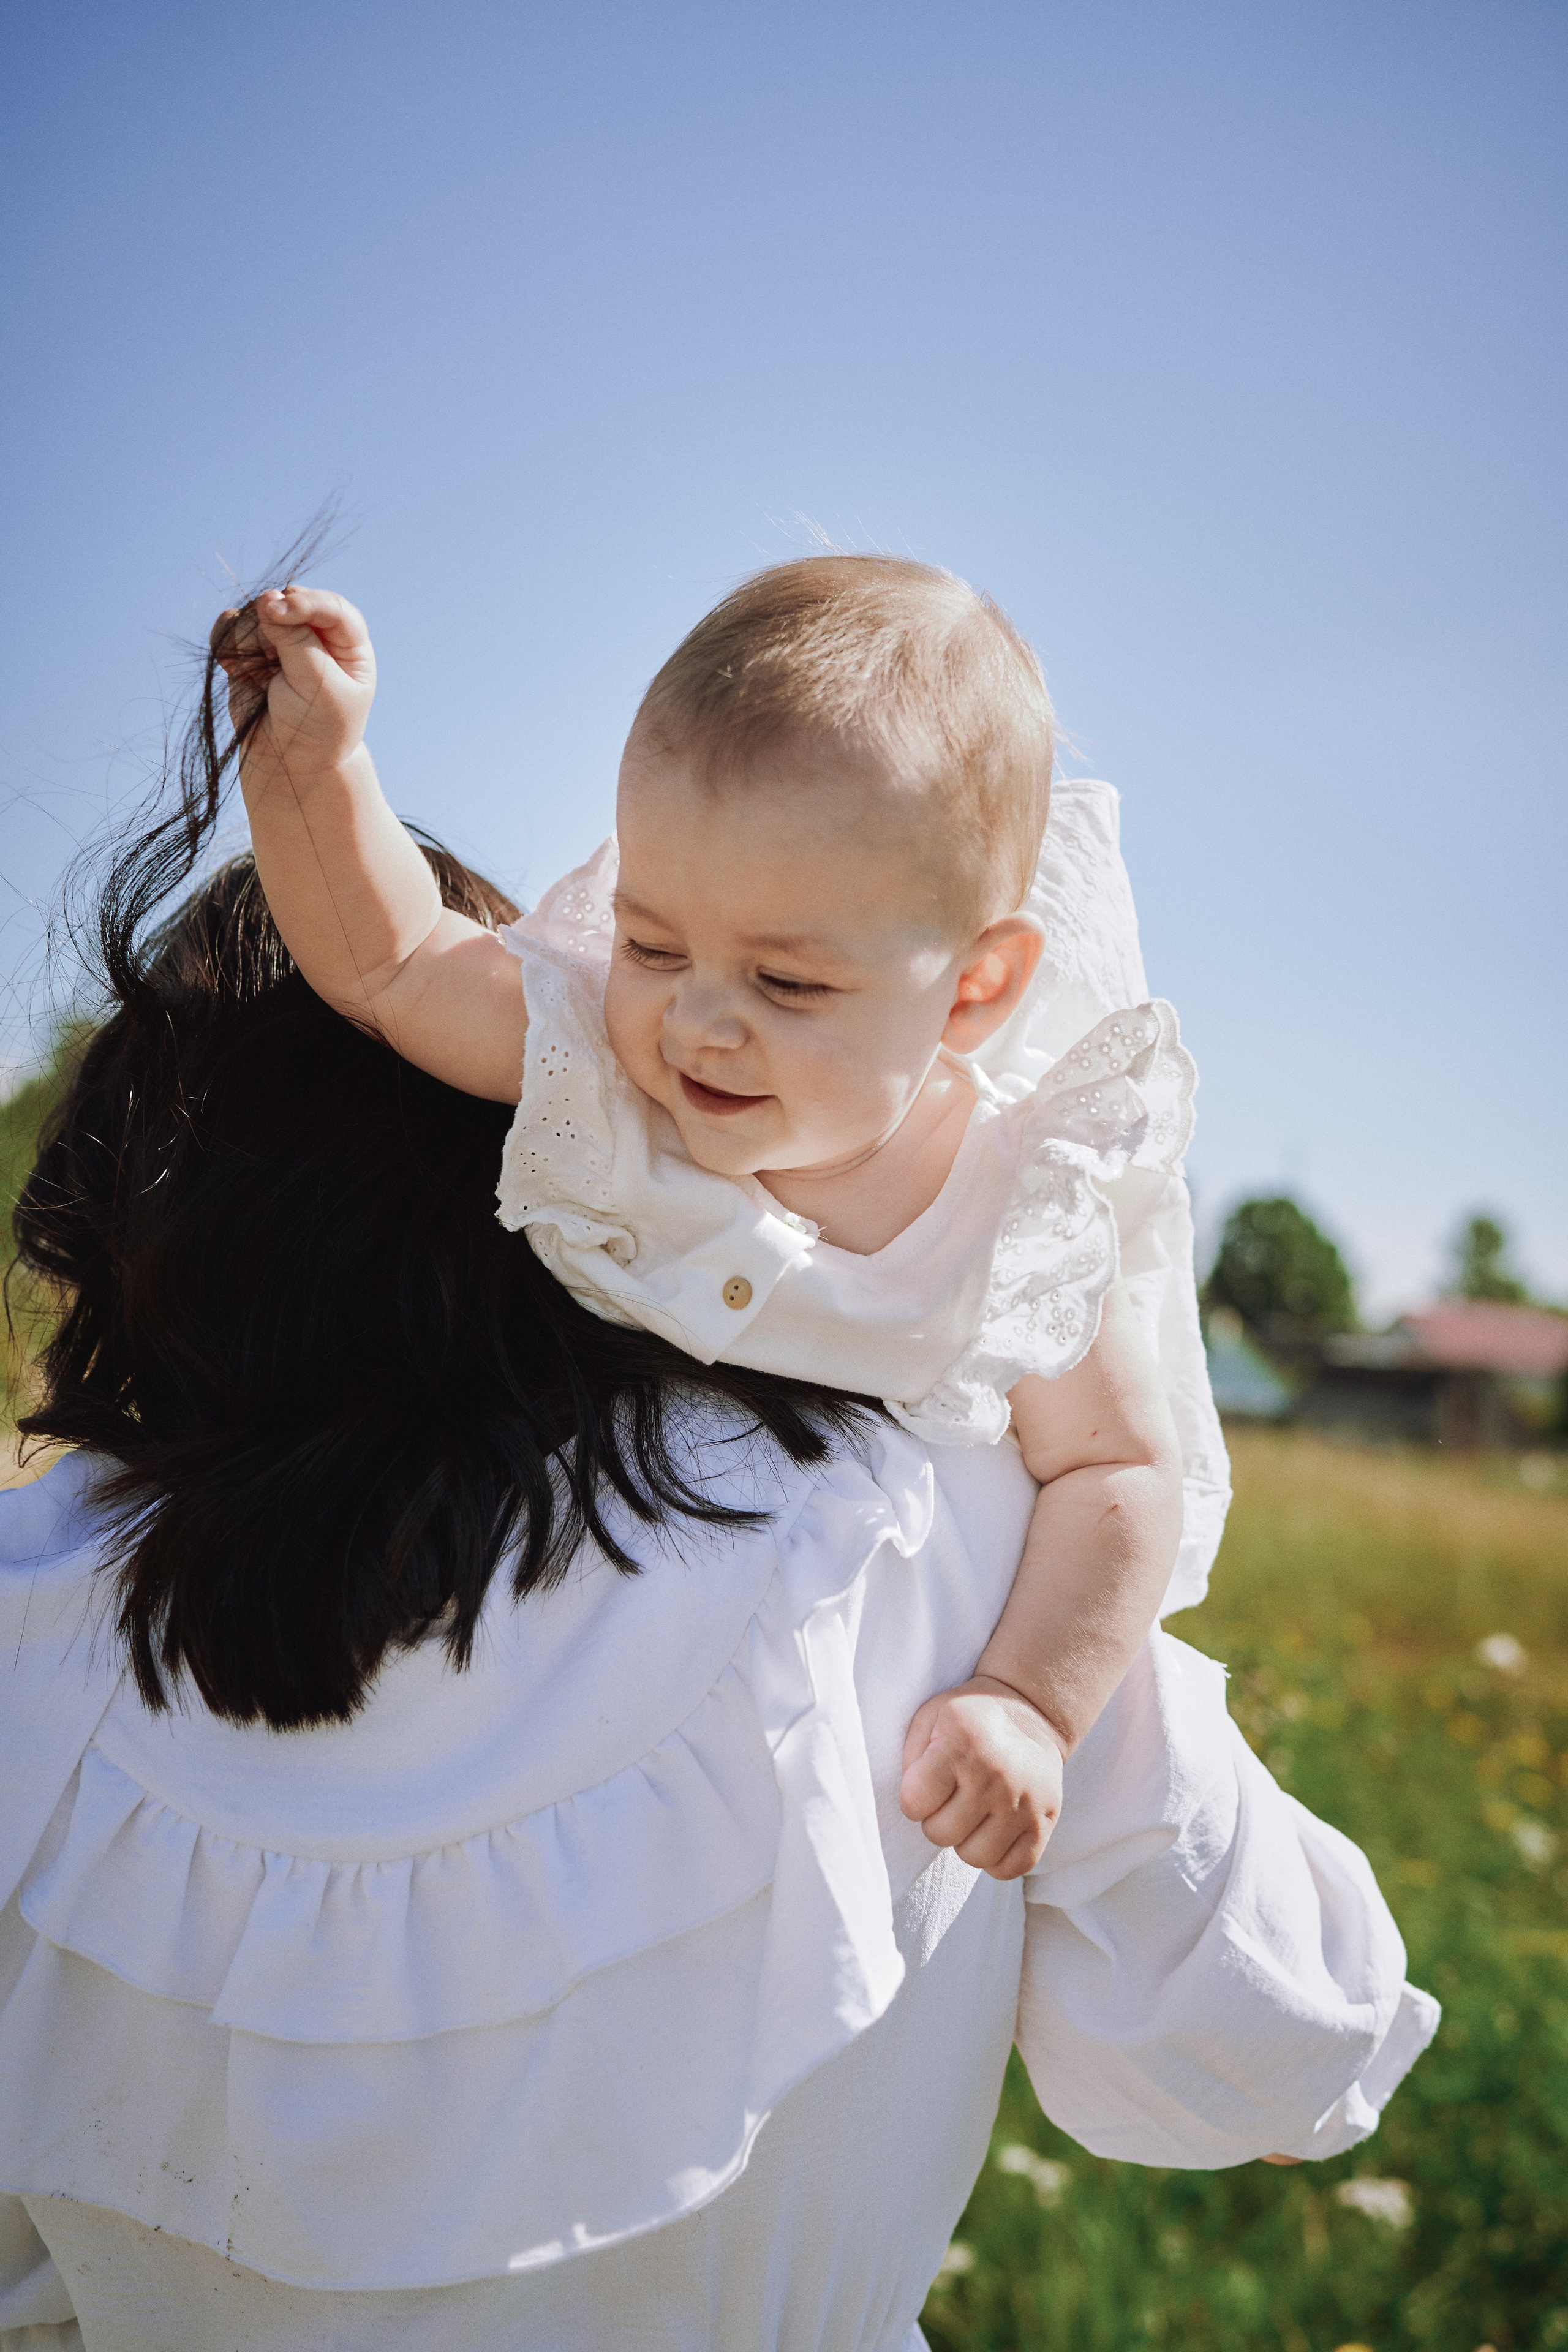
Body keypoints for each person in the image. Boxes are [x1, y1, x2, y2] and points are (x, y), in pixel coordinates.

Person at [0, 664, 1434, 2351]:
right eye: (644, 957)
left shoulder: (35, 1599)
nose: (689, 1036)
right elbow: (1283, 2068)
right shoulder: (949, 1535)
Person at [219, 556, 1221, 1881]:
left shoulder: (1009, 1218)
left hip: (790, 1785)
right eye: (651, 943)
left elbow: (1119, 1472)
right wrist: (315, 763)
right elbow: (394, 963)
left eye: (787, 983)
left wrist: (1029, 1702)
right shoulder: (603, 1069)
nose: (697, 1021)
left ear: (974, 989)